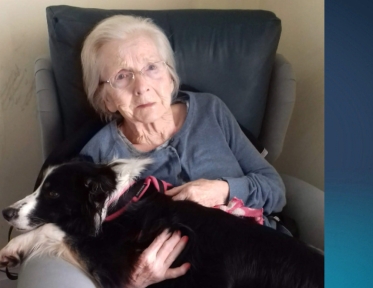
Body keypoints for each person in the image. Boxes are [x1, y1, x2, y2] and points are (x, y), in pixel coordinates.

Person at [77, 15, 287, 288]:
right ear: (105, 98)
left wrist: (221, 190)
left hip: (274, 258)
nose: (142, 87)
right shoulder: (98, 158)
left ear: (170, 75)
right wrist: (132, 281)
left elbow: (276, 191)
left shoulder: (211, 111)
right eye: (121, 76)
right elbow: (86, 245)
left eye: (152, 67)